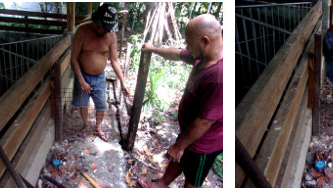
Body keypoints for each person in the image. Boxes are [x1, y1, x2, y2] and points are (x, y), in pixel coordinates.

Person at [138, 14, 223, 188]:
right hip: (190, 130)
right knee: (180, 157)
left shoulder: (219, 76)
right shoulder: (204, 55)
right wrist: (153, 49)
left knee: (192, 178)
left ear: (205, 41)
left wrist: (180, 145)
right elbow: (177, 54)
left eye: (189, 43)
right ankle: (162, 183)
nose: (187, 46)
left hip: (204, 142)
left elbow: (205, 121)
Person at [70, 3, 131, 142]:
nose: (105, 32)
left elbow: (115, 61)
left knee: (102, 104)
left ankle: (98, 128)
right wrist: (81, 80)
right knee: (83, 104)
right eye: (104, 28)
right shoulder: (82, 32)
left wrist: (123, 83)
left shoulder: (111, 36)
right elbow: (74, 59)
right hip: (83, 76)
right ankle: (85, 126)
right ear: (97, 23)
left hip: (100, 77)